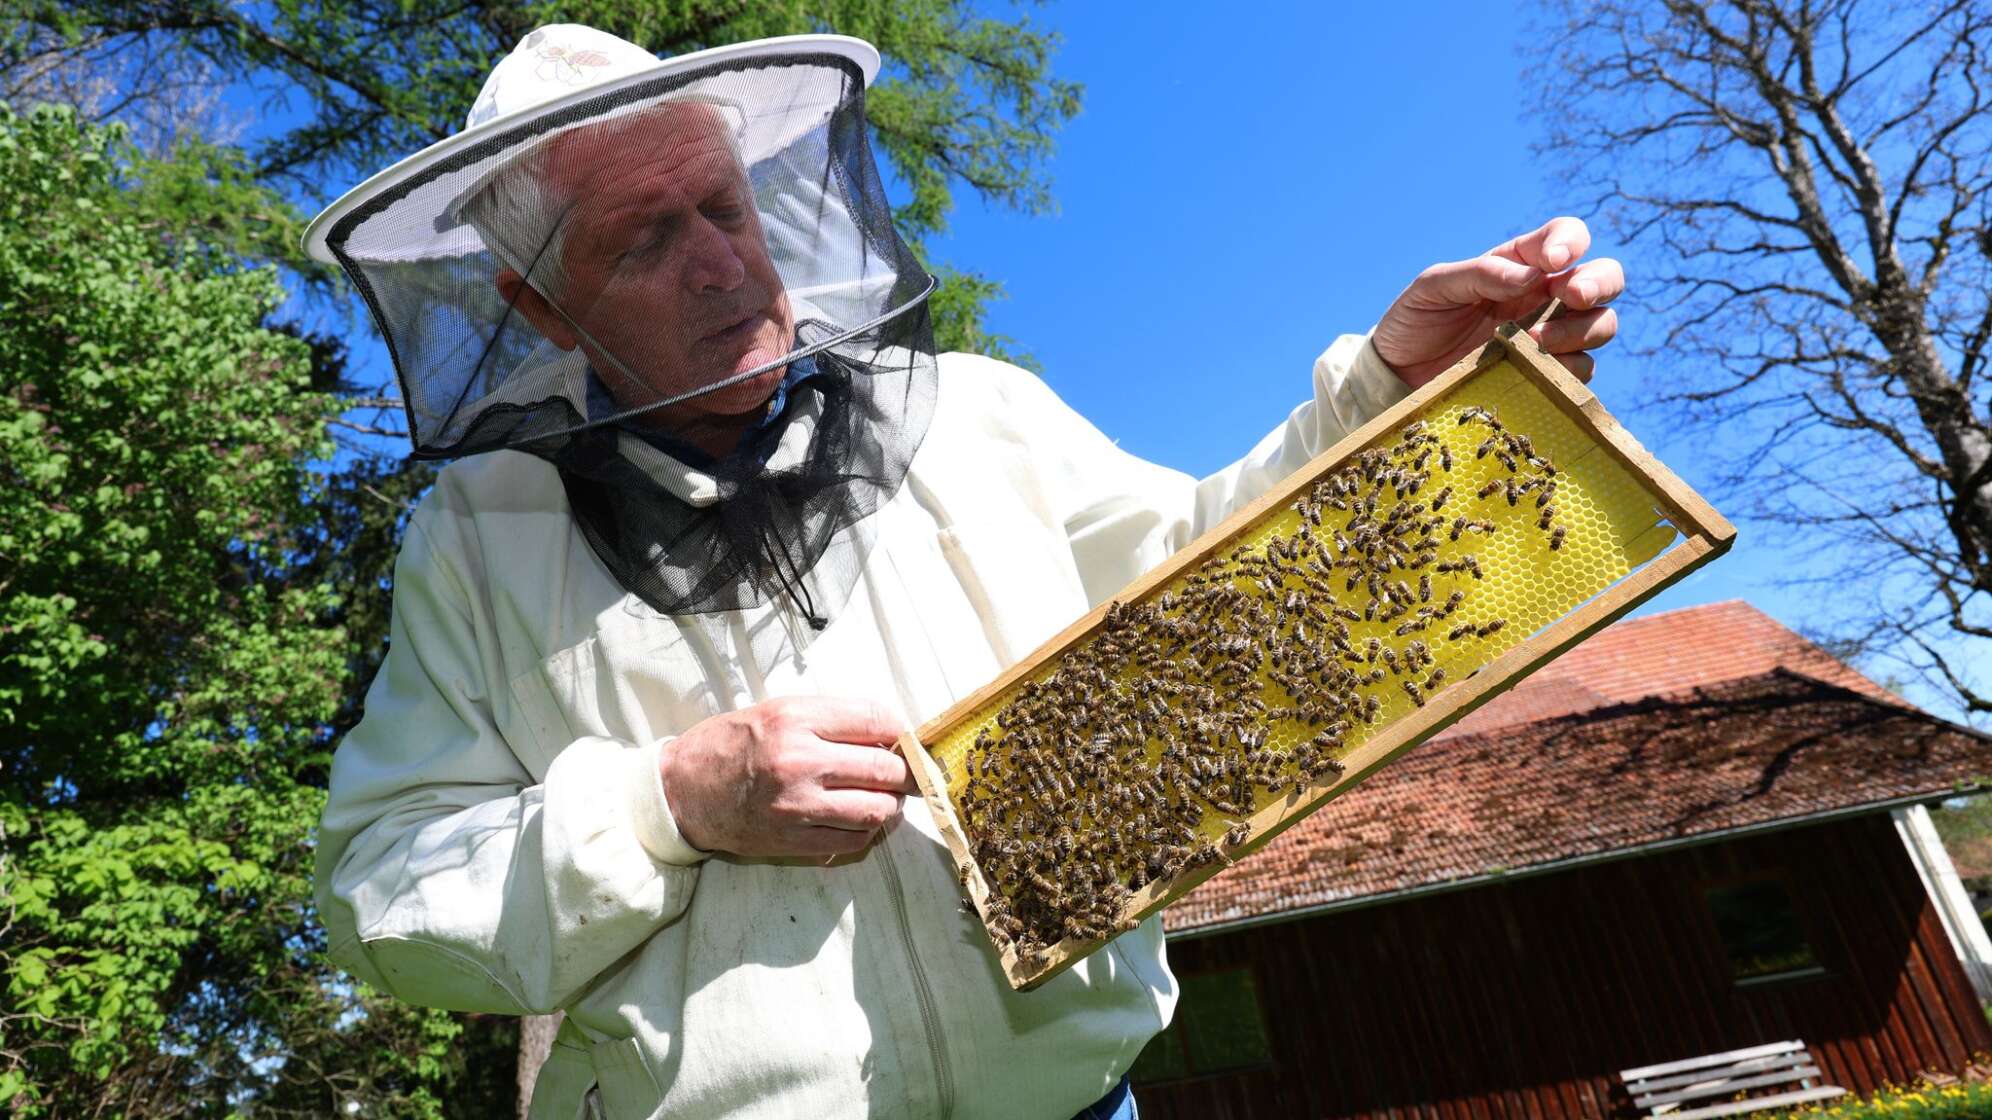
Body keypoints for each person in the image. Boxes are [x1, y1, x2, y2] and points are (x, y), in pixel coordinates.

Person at [308, 25, 1623, 1120]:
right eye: (643, 244)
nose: (721, 260)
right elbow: (384, 892)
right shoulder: (479, 540)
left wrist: (1387, 399)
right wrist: (668, 804)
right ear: (540, 307)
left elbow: (1210, 598)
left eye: (725, 204)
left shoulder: (977, 415)